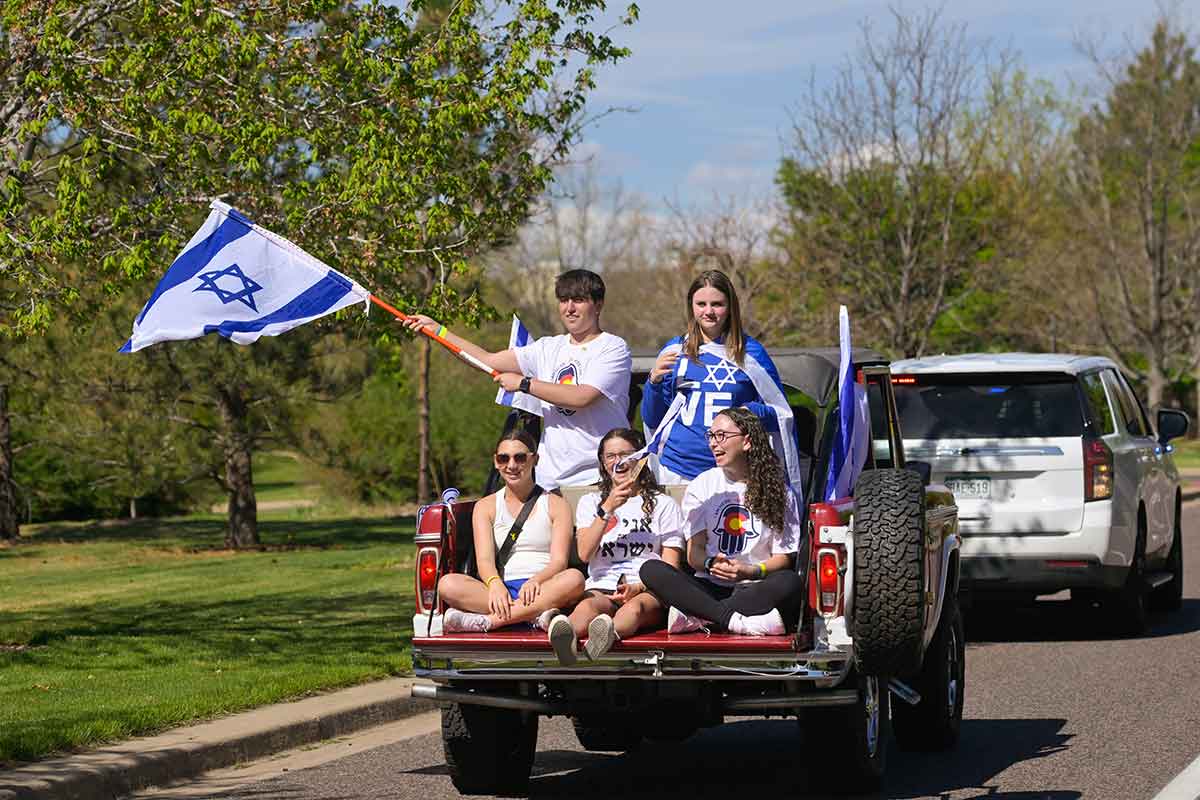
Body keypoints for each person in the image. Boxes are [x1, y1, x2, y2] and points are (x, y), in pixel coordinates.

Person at [403, 269, 632, 489]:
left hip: (599, 478)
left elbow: (582, 396)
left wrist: (524, 384)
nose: (569, 308)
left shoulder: (612, 348)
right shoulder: (547, 348)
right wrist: (439, 332)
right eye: (564, 300)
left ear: (598, 304)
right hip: (550, 480)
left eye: (579, 300)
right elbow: (487, 360)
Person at [639, 407, 807, 636]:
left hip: (755, 587)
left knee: (790, 583)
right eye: (711, 436)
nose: (713, 444)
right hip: (709, 587)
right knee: (651, 569)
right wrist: (709, 563)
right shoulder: (702, 484)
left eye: (722, 436)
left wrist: (751, 571)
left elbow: (784, 557)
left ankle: (700, 618)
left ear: (747, 441)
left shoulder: (779, 491)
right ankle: (734, 622)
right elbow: (694, 553)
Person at [641, 269, 801, 487]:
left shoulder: (751, 353)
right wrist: (654, 383)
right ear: (691, 307)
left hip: (733, 476)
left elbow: (780, 415)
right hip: (677, 472)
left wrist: (748, 414)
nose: (709, 312)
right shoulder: (675, 351)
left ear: (731, 307)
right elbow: (652, 420)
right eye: (701, 304)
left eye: (717, 304)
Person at [544, 428, 685, 665]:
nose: (618, 462)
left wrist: (638, 587)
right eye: (610, 456)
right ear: (602, 462)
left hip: (647, 589)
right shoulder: (591, 503)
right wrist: (607, 507)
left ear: (640, 459)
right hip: (603, 585)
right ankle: (565, 636)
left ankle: (603, 637)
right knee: (588, 606)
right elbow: (584, 553)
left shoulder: (664, 504)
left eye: (626, 455)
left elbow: (671, 566)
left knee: (634, 610)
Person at [437, 430, 584, 632]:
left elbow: (559, 561)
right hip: (499, 590)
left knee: (574, 579)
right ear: (496, 462)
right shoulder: (485, 506)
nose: (512, 465)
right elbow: (485, 561)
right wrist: (495, 583)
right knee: (447, 584)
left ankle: (490, 621)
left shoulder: (556, 504)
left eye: (520, 457)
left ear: (535, 459)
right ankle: (535, 615)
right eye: (503, 458)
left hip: (543, 587)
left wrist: (536, 581)